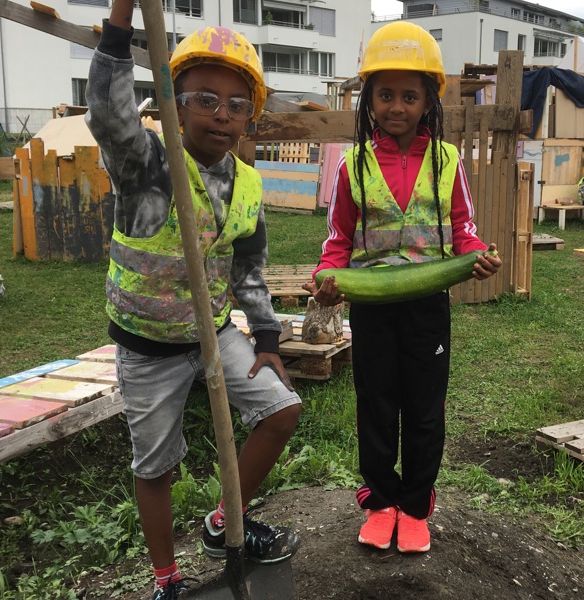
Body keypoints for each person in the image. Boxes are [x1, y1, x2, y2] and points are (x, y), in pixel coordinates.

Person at [85, 7, 302, 599]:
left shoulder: (248, 185)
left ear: (249, 117)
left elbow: (251, 271)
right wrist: (122, 18)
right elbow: (107, 111)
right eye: (205, 98)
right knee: (156, 465)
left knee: (281, 411)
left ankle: (222, 523)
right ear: (174, 103)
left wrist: (268, 340)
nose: (222, 114)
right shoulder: (145, 162)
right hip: (148, 345)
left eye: (237, 104)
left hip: (213, 335)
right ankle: (167, 580)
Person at [302, 21, 502, 554]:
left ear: (428, 101)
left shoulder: (447, 160)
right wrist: (328, 277)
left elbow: (463, 227)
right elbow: (339, 236)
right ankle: (380, 502)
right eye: (385, 94)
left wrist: (475, 257)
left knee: (423, 407)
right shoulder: (354, 163)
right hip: (370, 302)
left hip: (427, 305)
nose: (397, 106)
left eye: (409, 95)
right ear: (369, 99)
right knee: (375, 401)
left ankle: (415, 505)